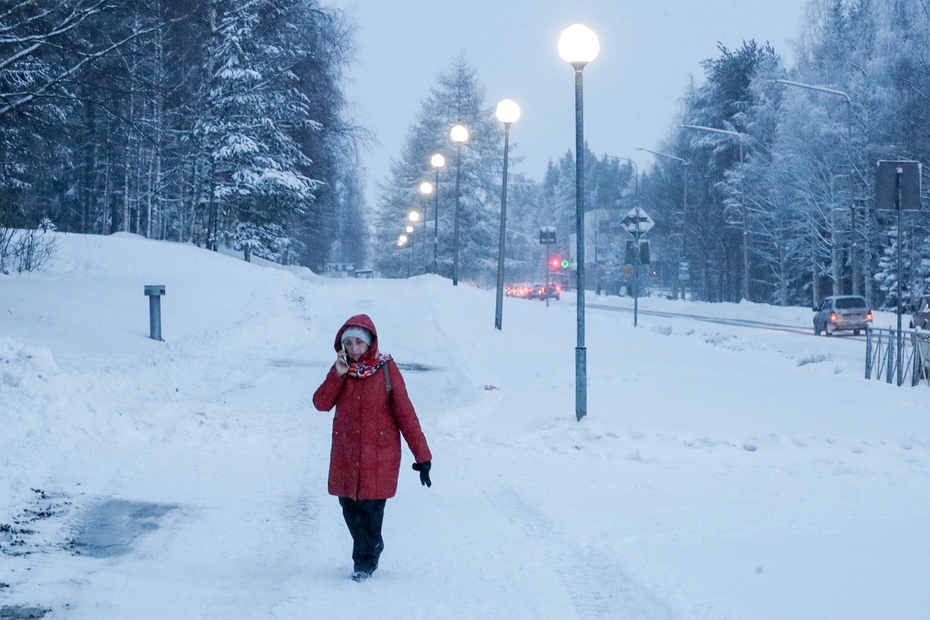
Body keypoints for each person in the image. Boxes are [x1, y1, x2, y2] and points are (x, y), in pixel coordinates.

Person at [312, 314, 432, 582]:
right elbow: (320, 403)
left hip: (379, 456)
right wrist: (337, 375)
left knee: (370, 511)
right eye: (349, 343)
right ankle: (372, 545)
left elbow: (406, 414)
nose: (354, 349)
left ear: (370, 344)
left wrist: (422, 457)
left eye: (359, 343)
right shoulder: (342, 372)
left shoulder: (387, 370)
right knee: (348, 508)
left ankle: (364, 562)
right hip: (346, 455)